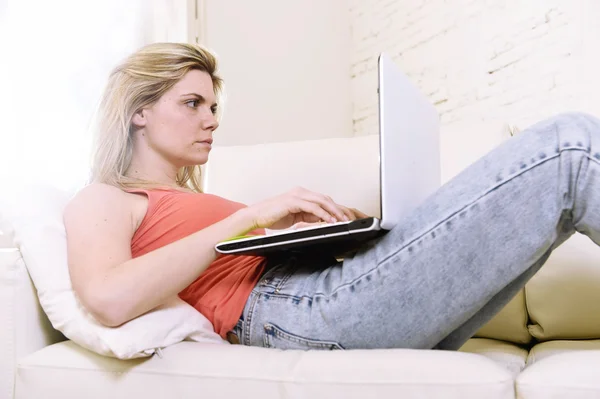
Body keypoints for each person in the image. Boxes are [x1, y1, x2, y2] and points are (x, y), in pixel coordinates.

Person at [64, 42, 600, 351]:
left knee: (552, 202)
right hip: (296, 314)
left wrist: (310, 239)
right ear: (139, 110)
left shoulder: (180, 199)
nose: (212, 119)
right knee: (569, 147)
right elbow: (110, 300)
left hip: (312, 294)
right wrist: (250, 218)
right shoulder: (104, 198)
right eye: (193, 103)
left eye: (213, 107)